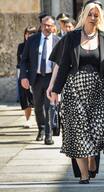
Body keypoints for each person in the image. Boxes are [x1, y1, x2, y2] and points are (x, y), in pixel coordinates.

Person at [50, 0, 104, 184]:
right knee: (77, 132)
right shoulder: (72, 37)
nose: (93, 18)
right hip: (74, 90)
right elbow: (64, 65)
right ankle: (84, 174)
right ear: (84, 15)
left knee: (96, 132)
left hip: (98, 91)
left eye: (96, 15)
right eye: (90, 14)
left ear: (100, 17)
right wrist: (56, 90)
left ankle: (93, 158)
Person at [20, 16, 60, 145]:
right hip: (36, 78)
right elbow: (24, 60)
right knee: (38, 106)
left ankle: (48, 135)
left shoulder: (58, 41)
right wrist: (23, 77)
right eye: (45, 25)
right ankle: (41, 129)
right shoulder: (32, 40)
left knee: (49, 106)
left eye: (50, 25)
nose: (48, 28)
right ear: (41, 25)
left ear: (54, 26)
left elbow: (61, 63)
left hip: (50, 78)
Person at [17, 26, 37, 128]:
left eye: (31, 34)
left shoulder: (37, 45)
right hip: (23, 74)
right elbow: (20, 62)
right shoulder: (21, 46)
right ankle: (28, 119)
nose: (28, 36)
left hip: (34, 75)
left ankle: (36, 118)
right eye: (27, 33)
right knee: (24, 98)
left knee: (35, 97)